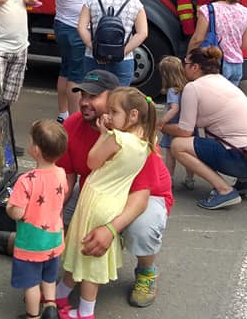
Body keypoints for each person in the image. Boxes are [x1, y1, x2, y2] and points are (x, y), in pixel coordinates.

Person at [56, 69, 172, 309]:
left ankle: (147, 270)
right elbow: (67, 175)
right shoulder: (73, 124)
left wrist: (110, 228)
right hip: (98, 191)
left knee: (141, 228)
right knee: (62, 224)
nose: (85, 102)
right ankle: (67, 277)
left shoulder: (135, 141)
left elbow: (140, 198)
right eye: (83, 95)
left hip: (144, 196)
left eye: (94, 97)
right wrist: (53, 212)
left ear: (114, 100)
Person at [168, 46, 247, 210]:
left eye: (186, 63)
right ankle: (244, 181)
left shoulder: (194, 87)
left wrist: (162, 126)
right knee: (215, 134)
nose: (183, 66)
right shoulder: (221, 81)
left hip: (240, 159)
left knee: (178, 145)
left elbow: (185, 131)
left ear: (195, 67)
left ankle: (224, 190)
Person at [6, 119, 69, 319]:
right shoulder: (60, 174)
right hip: (54, 238)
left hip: (31, 243)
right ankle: (50, 307)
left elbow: (17, 213)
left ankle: (32, 316)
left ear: (36, 150)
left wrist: (9, 206)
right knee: (49, 278)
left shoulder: (26, 181)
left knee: (31, 284)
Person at [54, 0, 101, 121]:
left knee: (65, 70)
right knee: (76, 75)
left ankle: (62, 114)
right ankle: (75, 120)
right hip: (76, 29)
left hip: (61, 24)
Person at [76, 0, 147, 86]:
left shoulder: (92, 0)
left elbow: (81, 28)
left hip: (93, 59)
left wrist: (96, 48)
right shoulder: (134, 2)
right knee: (118, 101)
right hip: (123, 61)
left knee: (94, 98)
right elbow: (142, 33)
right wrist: (122, 51)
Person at [187, 0, 247, 86]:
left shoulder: (208, 10)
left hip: (215, 64)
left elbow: (198, 39)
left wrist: (189, 57)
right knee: (228, 102)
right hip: (237, 65)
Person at [157, 55, 194, 189]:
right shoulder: (188, 86)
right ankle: (190, 179)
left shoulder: (172, 90)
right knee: (189, 154)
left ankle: (169, 178)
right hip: (188, 124)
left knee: (170, 154)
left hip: (174, 125)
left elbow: (174, 108)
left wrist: (162, 121)